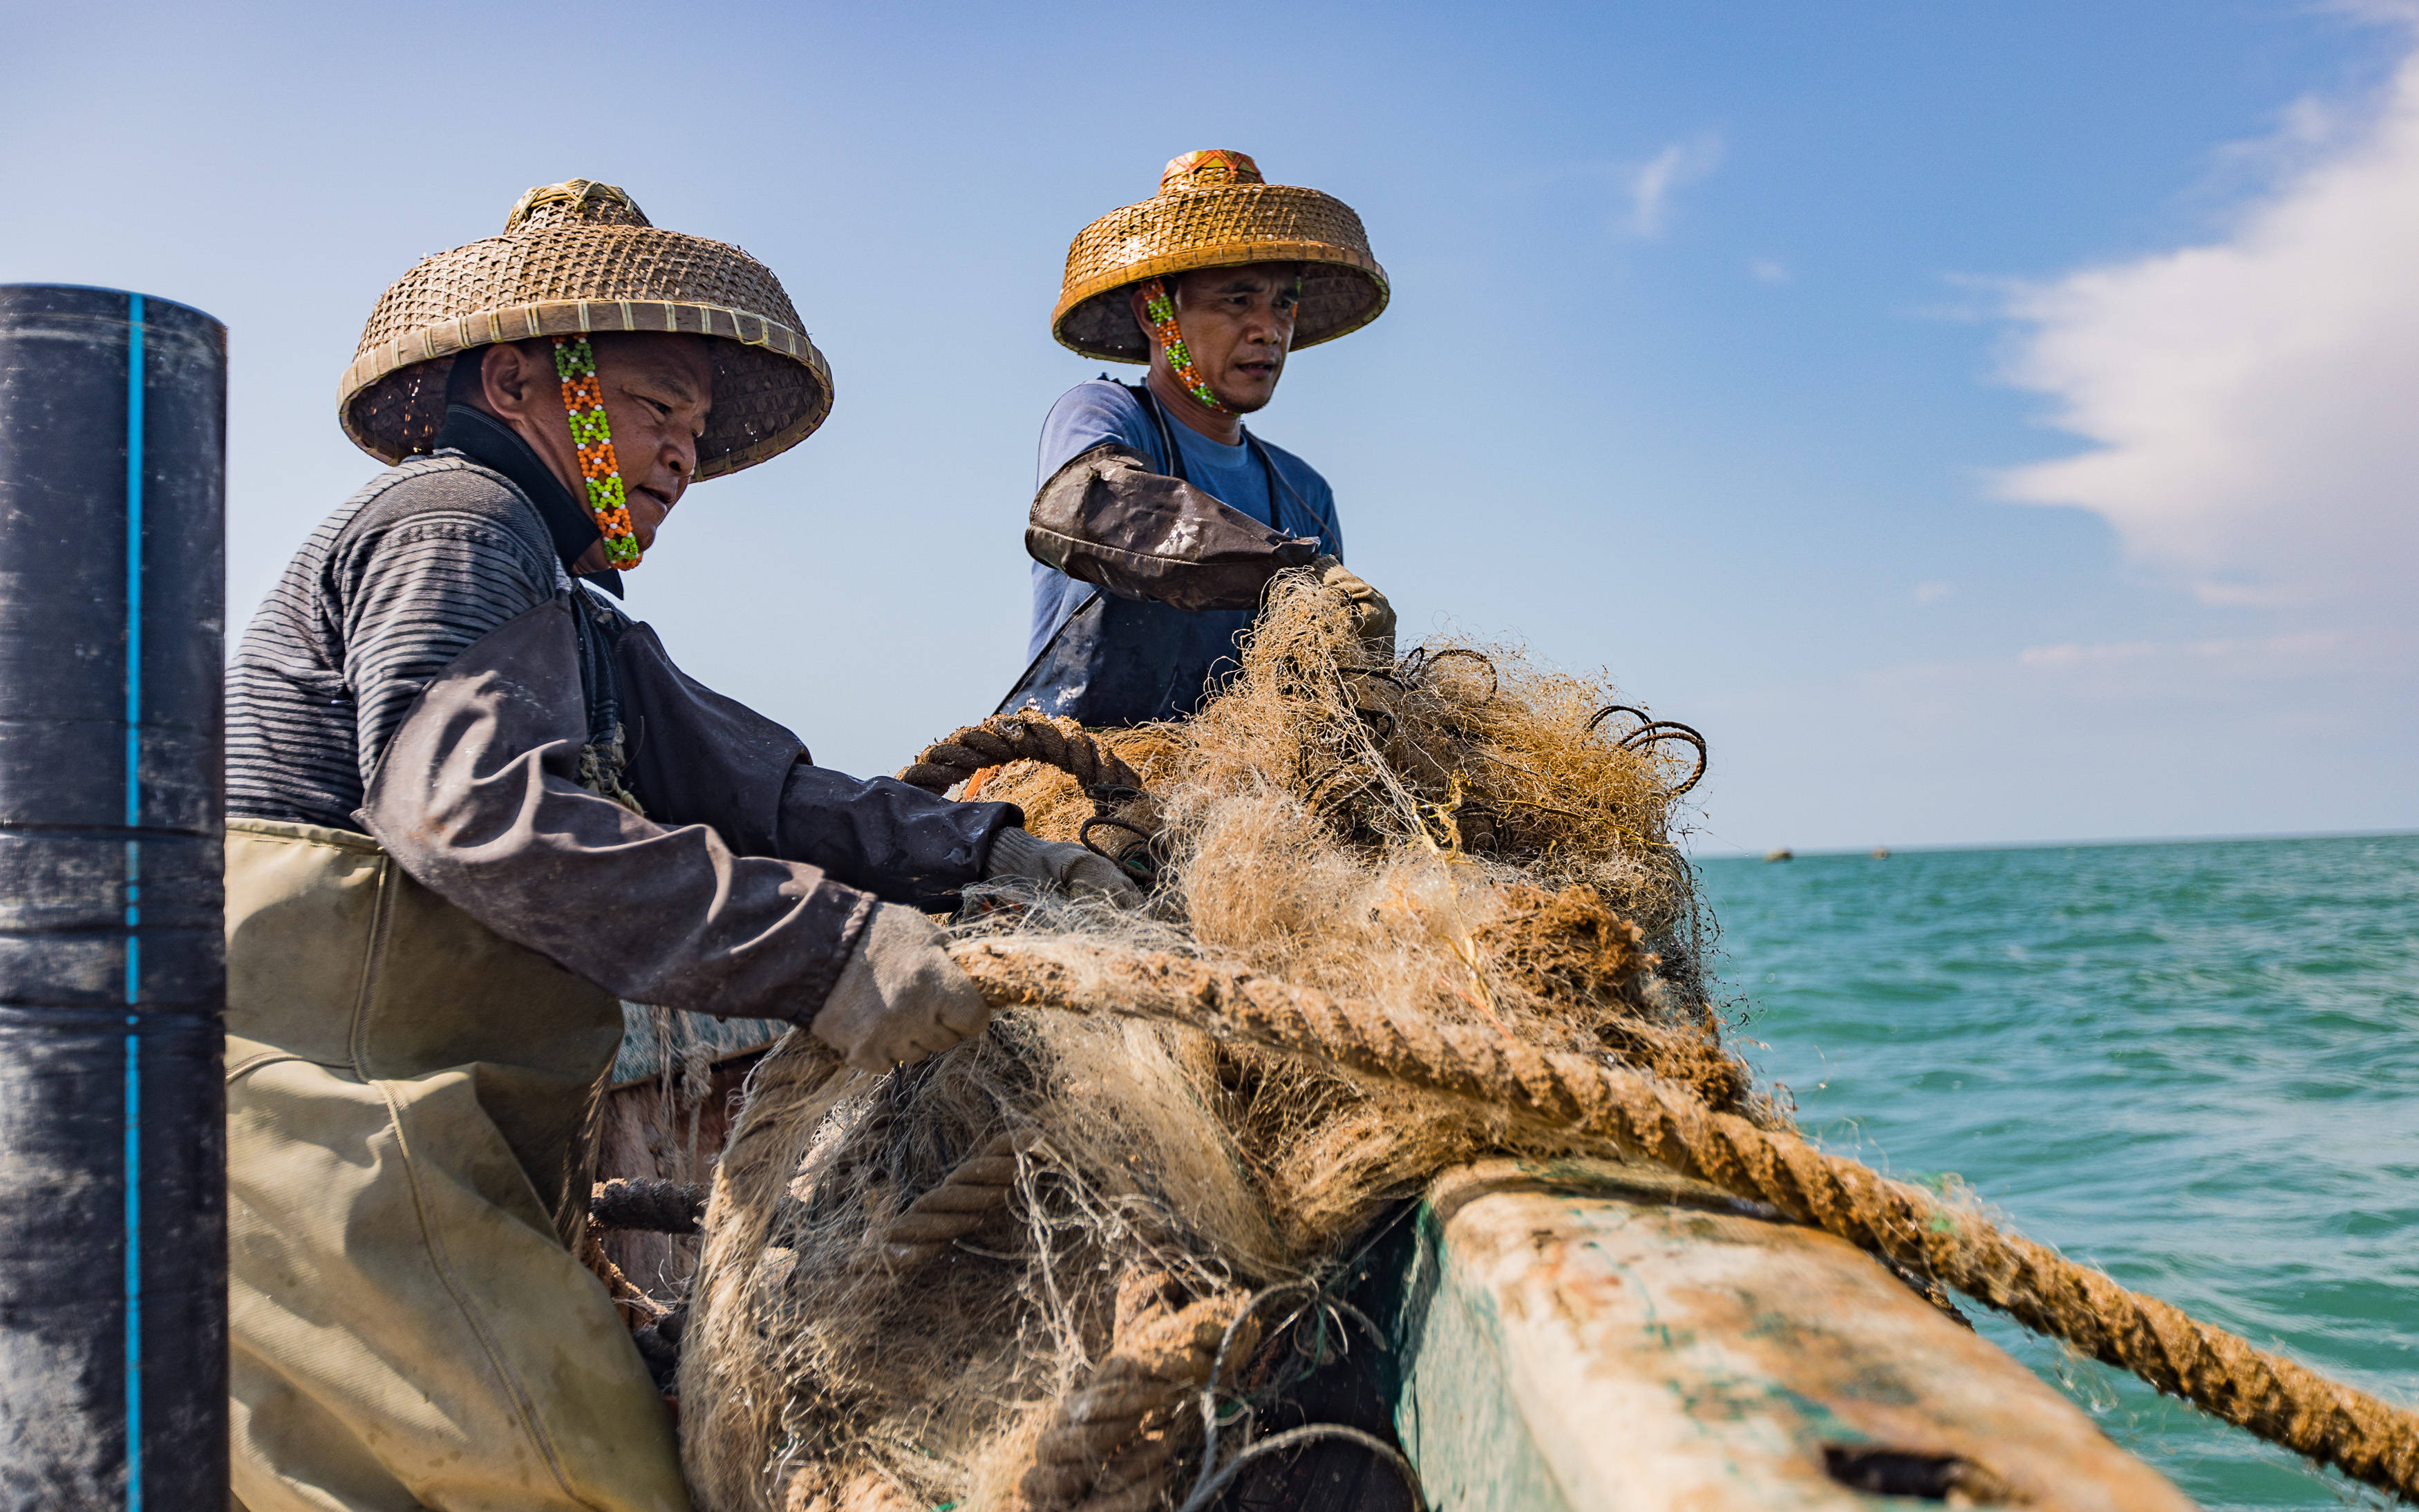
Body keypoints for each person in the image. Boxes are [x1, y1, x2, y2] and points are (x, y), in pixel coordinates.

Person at [221, 180, 1127, 1512]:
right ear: (519, 380)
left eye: (698, 430)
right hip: (329, 1141)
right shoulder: (455, 522)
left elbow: (766, 791)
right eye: (656, 408)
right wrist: (834, 950)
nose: (682, 455)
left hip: (427, 1143)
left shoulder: (572, 606)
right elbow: (469, 813)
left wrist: (993, 851)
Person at [1004, 150, 1397, 724]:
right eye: (1237, 300)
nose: (1269, 330)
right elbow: (1087, 509)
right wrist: (1285, 570)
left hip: (1234, 768)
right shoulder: (1108, 415)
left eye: (1284, 303)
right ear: (1155, 313)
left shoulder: (1306, 495)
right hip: (1082, 751)